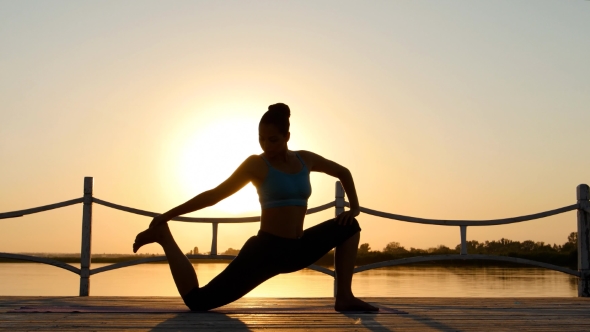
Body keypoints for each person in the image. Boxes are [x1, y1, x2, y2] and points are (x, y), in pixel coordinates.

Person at [133, 103, 378, 312]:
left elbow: (343, 172)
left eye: (273, 140)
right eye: (261, 139)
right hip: (266, 252)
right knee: (198, 302)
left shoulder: (305, 159)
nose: (267, 146)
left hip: (298, 248)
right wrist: (168, 215)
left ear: (287, 137)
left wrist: (354, 208)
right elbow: (214, 195)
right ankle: (164, 237)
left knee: (349, 226)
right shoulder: (255, 164)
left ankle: (344, 297)